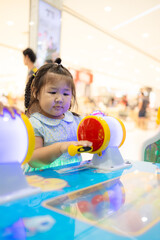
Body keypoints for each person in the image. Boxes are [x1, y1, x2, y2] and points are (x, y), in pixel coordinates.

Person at [23, 58, 92, 172]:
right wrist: (60, 148)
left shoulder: (75, 120)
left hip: (72, 178)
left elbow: (90, 141)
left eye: (65, 93)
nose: (59, 99)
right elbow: (33, 160)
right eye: (53, 92)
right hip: (43, 181)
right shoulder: (35, 123)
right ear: (36, 93)